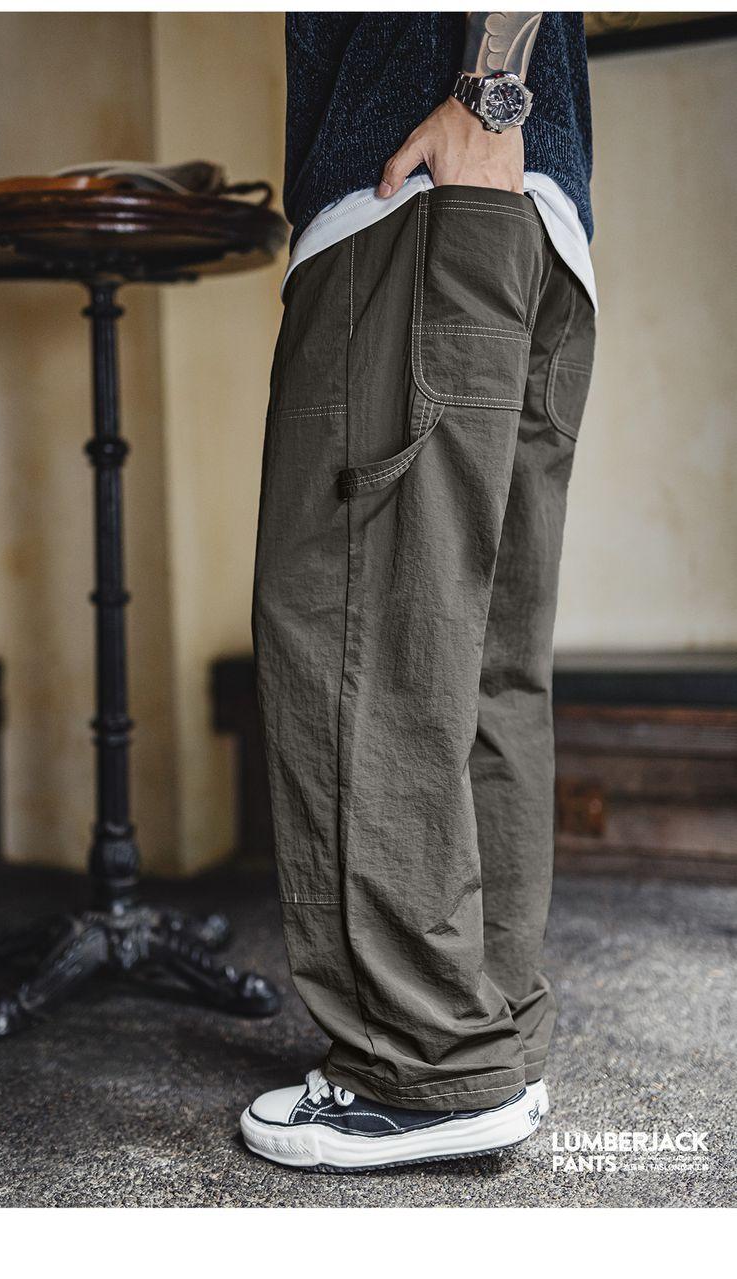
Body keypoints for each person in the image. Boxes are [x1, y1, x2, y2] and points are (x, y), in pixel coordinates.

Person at [242, 11, 596, 1171]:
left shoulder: (467, 124)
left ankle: (422, 1066)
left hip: (416, 203)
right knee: (477, 656)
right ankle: (486, 1040)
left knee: (356, 643)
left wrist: (490, 91)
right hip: (536, 226)